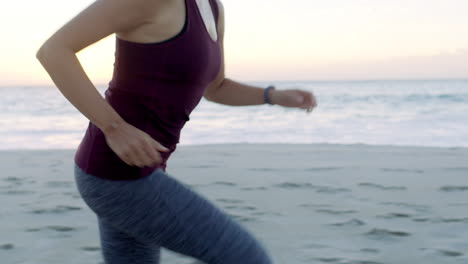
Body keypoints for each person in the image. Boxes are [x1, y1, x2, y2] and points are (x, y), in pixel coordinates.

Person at [36, 0, 317, 263]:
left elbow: (216, 88)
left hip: (144, 170)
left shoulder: (212, 7)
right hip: (116, 176)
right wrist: (113, 126)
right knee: (247, 257)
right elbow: (54, 50)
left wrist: (272, 96)